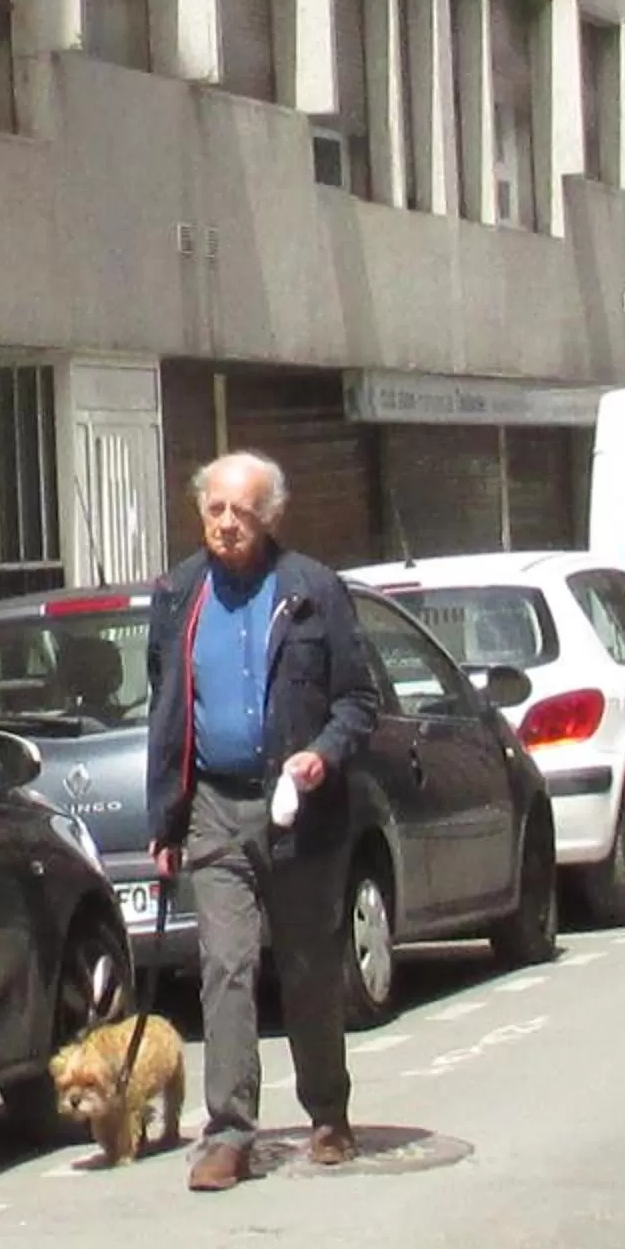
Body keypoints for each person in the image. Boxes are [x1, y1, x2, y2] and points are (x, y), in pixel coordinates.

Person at [145, 450, 379, 1192]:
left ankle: (328, 1112)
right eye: (214, 509)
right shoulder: (180, 594)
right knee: (226, 966)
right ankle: (229, 1132)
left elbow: (359, 702)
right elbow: (167, 708)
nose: (224, 524)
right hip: (216, 806)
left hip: (300, 812)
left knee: (309, 966)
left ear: (269, 516)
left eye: (240, 512)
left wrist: (320, 755)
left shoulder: (313, 590)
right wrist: (166, 819)